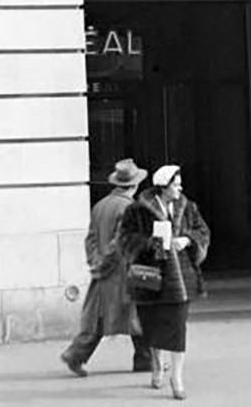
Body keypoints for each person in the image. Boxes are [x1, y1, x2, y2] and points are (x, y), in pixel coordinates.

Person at [118, 164, 210, 401]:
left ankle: (176, 378)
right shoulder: (137, 210)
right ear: (163, 187)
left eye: (180, 184)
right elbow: (124, 239)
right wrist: (150, 243)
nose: (180, 188)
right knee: (153, 326)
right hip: (150, 278)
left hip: (181, 280)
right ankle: (157, 365)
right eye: (176, 184)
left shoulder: (188, 207)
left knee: (178, 328)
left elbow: (202, 231)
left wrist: (187, 240)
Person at [60, 159, 152, 377]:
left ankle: (76, 354)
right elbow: (119, 242)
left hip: (104, 272)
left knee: (99, 318)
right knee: (139, 314)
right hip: (122, 271)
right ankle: (144, 359)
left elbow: (91, 239)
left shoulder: (100, 205)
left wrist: (95, 262)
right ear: (134, 185)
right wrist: (106, 263)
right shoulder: (130, 208)